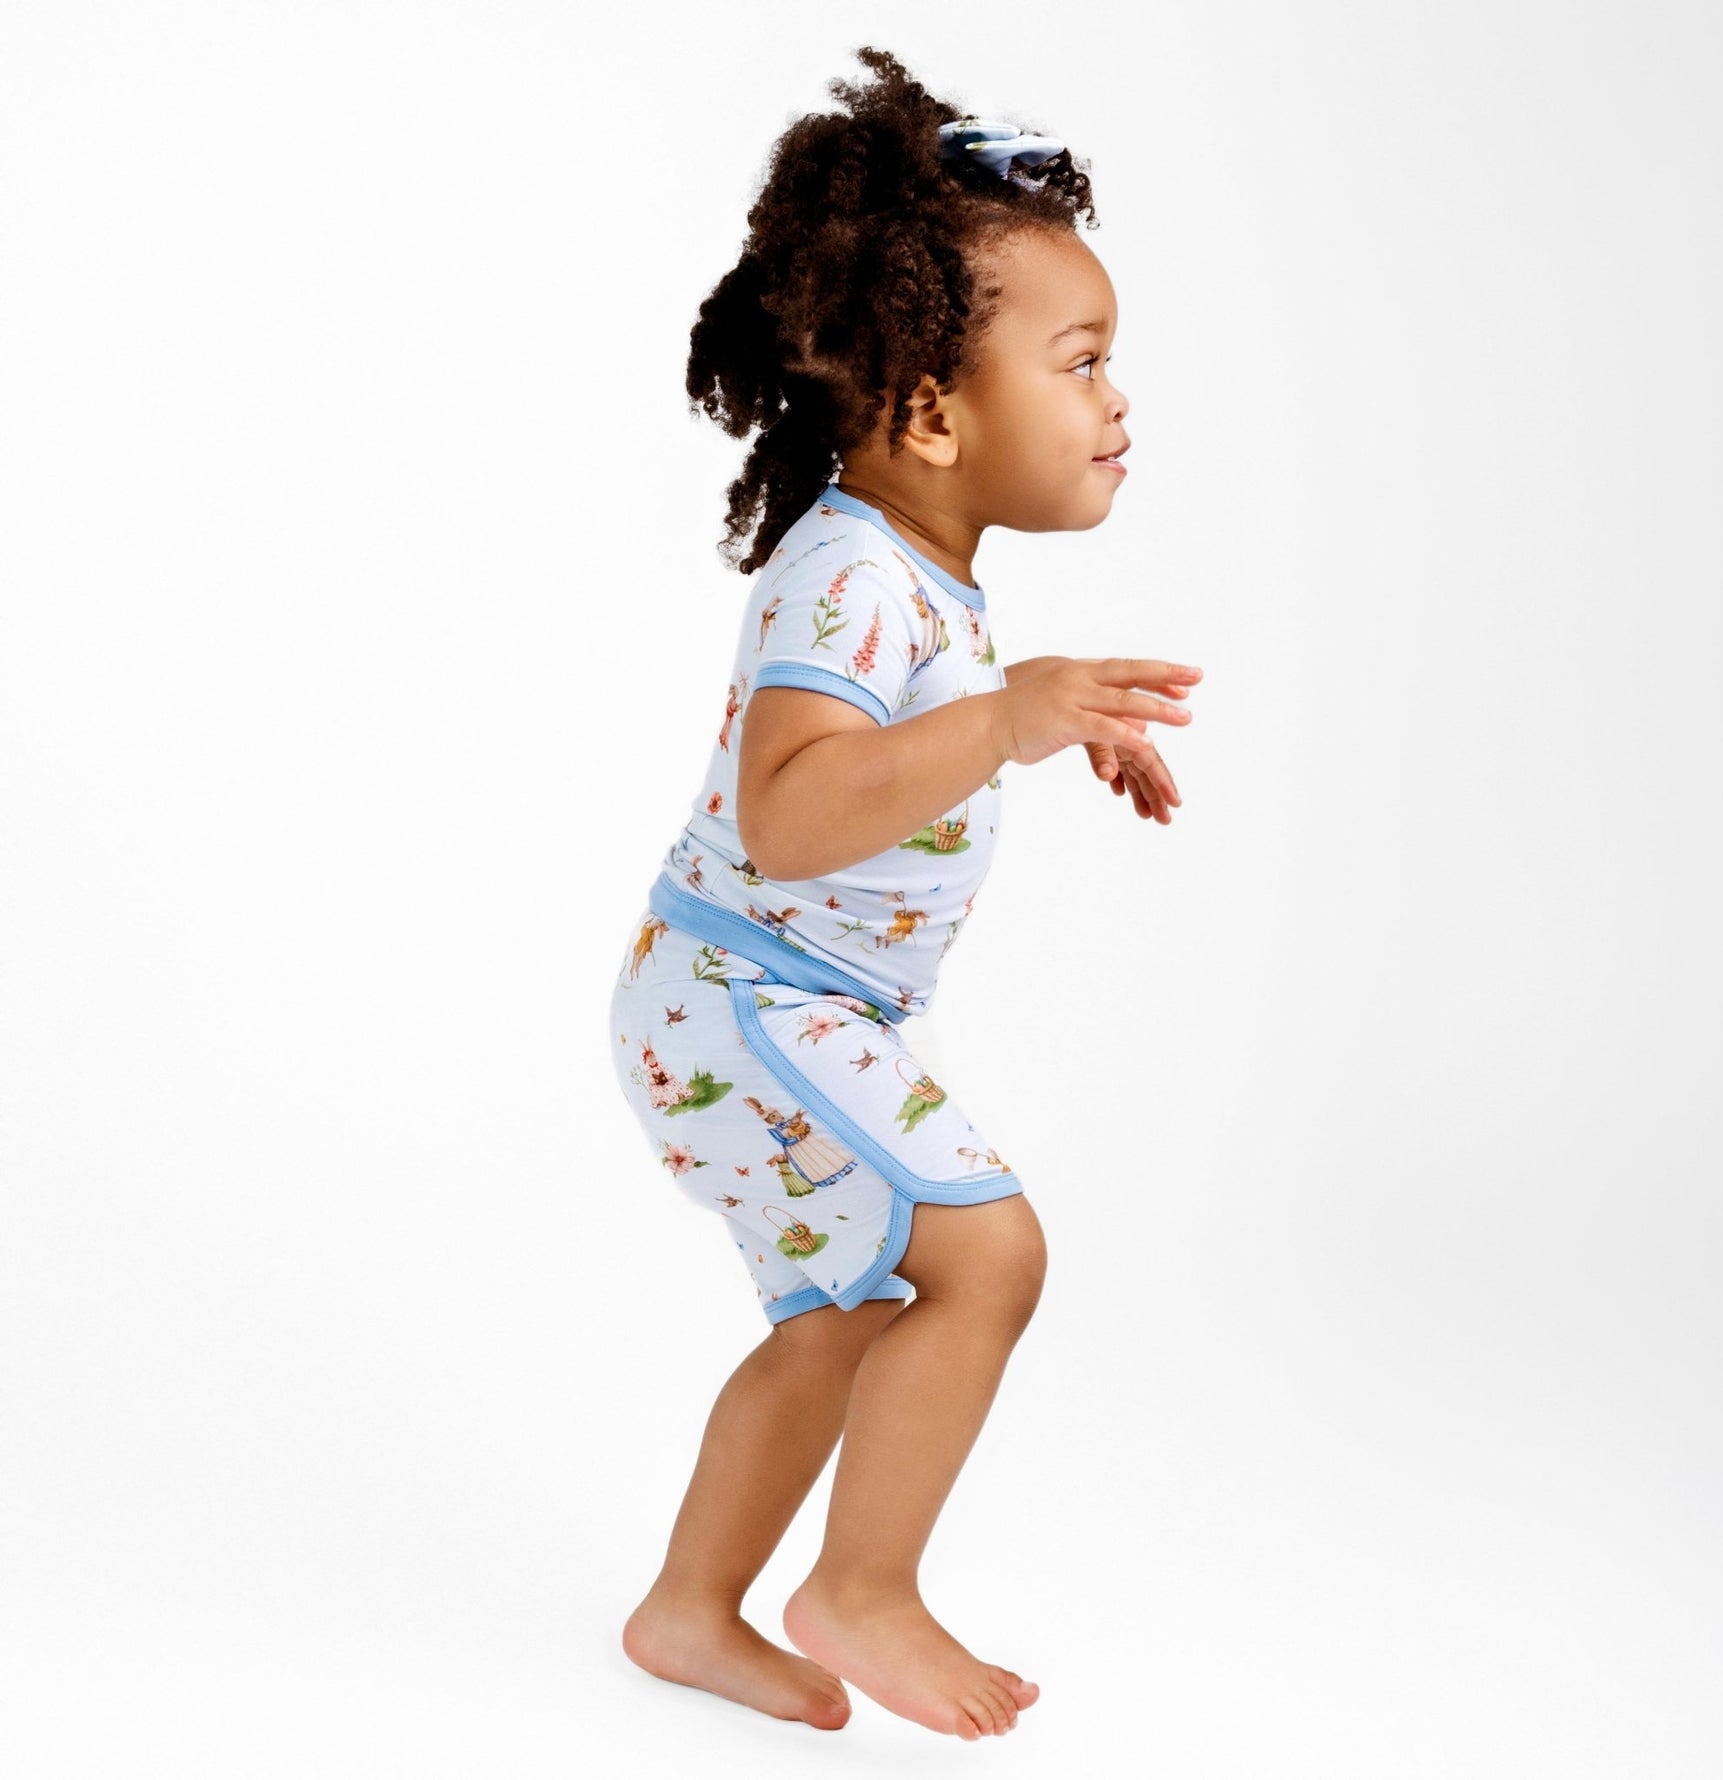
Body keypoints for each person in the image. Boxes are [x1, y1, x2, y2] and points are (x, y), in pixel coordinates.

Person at [606, 46, 1203, 1741]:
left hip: (775, 1004)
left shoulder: (916, 574)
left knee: (853, 1316)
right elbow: (787, 818)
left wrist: (1030, 731)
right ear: (935, 410)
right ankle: (859, 1586)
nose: (1115, 404)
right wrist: (1008, 721)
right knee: (987, 1256)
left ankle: (686, 1611)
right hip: (748, 999)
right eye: (1080, 364)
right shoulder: (850, 581)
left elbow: (902, 762)